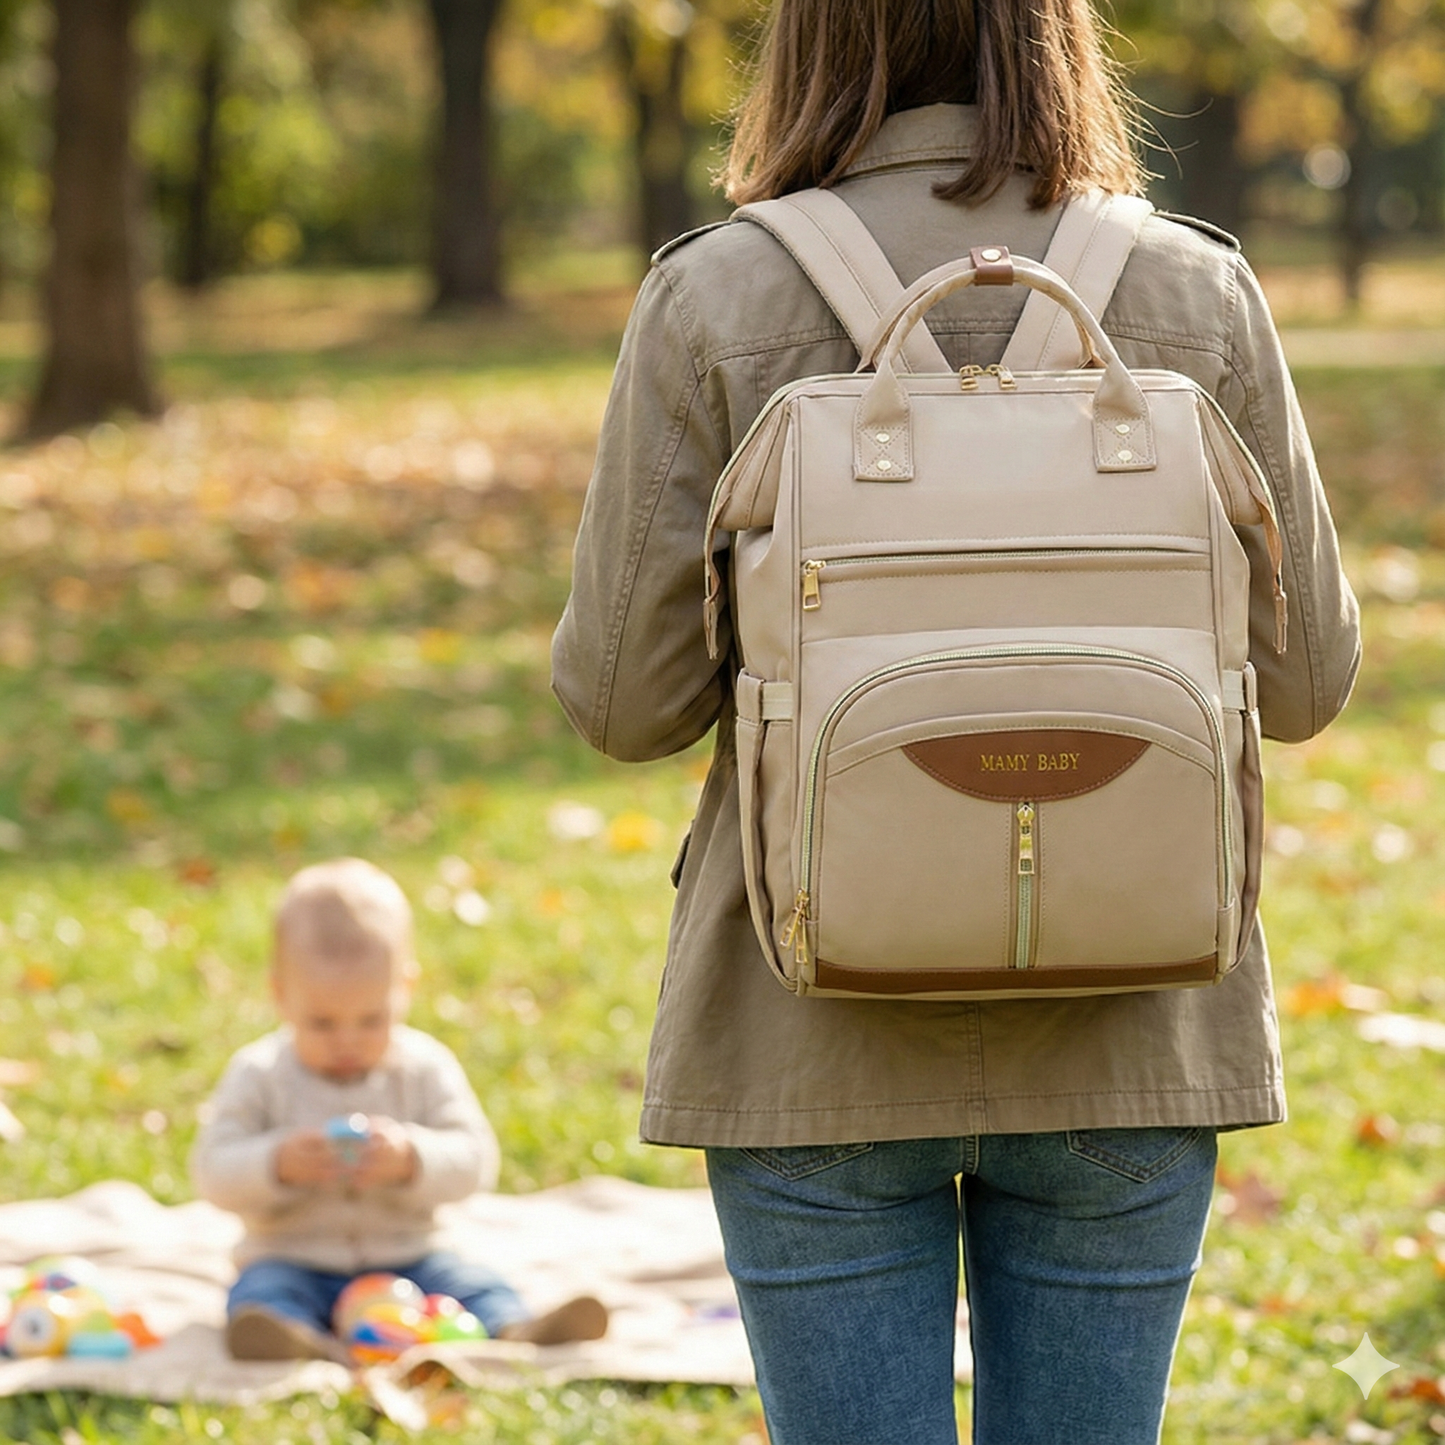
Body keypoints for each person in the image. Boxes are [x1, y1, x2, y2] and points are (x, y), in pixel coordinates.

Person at [552, 2, 1361, 1442]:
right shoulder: (1192, 288)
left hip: (809, 1033)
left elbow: (625, 705)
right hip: (1130, 1024)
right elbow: (1307, 685)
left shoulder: (717, 296)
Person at [190, 857, 607, 1362]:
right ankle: (295, 1340)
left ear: (404, 989)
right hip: (292, 1256)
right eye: (322, 1023)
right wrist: (275, 1162)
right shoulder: (259, 1073)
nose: (348, 1041)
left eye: (372, 1020)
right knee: (263, 1291)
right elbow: (211, 1170)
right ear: (281, 996)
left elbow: (476, 1158)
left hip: (411, 1258)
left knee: (471, 1284)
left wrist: (413, 1157)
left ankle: (516, 1329)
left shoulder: (423, 1067)